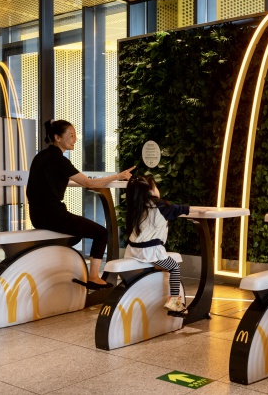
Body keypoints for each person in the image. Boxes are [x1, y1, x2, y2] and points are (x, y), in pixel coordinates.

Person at [26, 119, 135, 289]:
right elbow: (89, 183)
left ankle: (64, 268)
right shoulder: (59, 160)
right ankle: (93, 277)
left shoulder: (42, 156)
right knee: (101, 233)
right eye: (71, 135)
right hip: (52, 215)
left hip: (37, 215)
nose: (75, 139)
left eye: (75, 135)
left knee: (76, 234)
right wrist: (117, 176)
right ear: (57, 138)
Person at [124, 175, 189, 316]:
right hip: (150, 251)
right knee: (174, 266)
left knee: (161, 265)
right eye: (155, 186)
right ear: (150, 191)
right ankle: (174, 302)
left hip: (133, 249)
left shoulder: (137, 205)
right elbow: (184, 209)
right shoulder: (161, 206)